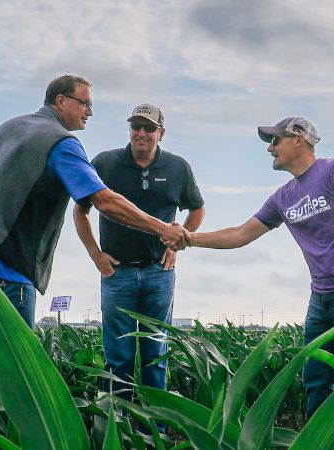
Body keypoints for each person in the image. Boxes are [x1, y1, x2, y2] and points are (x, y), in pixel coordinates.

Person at [0, 75, 189, 361]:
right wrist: (162, 228)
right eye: (84, 103)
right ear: (61, 101)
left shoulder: (6, 128)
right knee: (15, 369)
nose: (89, 112)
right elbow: (103, 200)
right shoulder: (62, 143)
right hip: (11, 267)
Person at [182, 116, 334, 416]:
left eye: (275, 141)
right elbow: (240, 234)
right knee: (316, 380)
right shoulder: (282, 198)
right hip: (321, 300)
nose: (270, 149)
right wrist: (189, 239)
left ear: (299, 139)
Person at [72, 103, 205, 398]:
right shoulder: (105, 163)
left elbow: (197, 208)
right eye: (136, 126)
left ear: (161, 133)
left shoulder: (177, 167)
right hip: (116, 273)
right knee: (117, 358)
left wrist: (178, 247)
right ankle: (118, 427)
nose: (141, 133)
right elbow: (80, 211)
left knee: (155, 358)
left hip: (159, 273)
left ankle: (153, 428)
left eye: (149, 128)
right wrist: (96, 255)